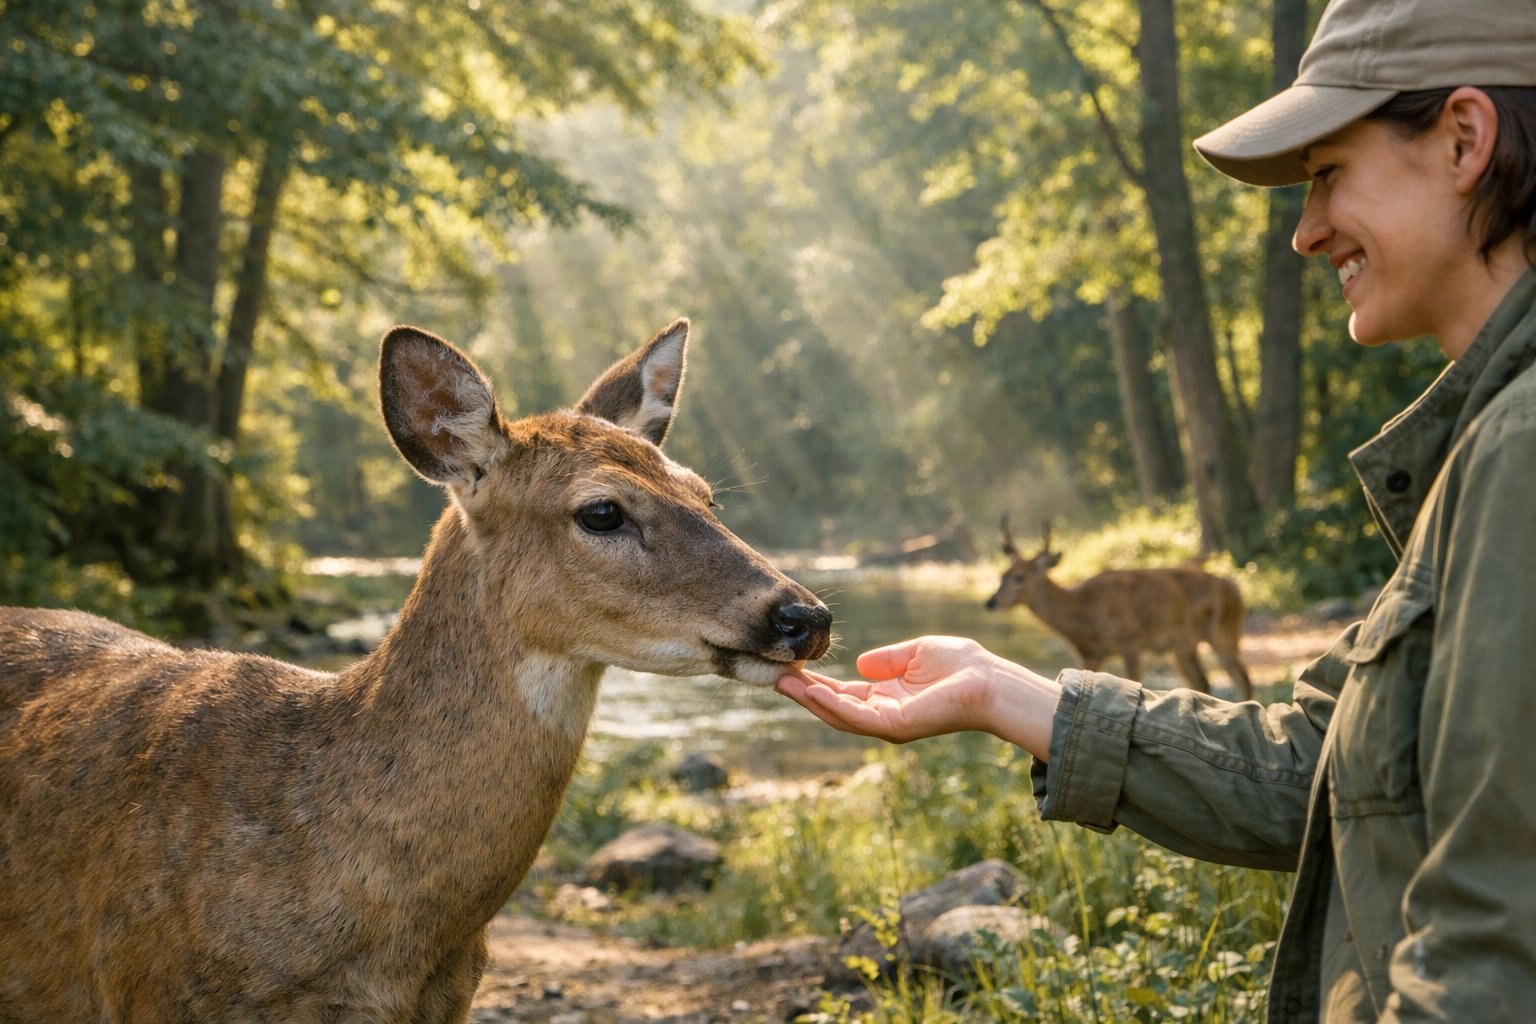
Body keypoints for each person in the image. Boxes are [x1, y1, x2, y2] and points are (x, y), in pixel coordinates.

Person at [776, 0, 1536, 1020]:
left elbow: (1496, 961)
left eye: (1327, 172)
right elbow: (1328, 770)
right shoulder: (1485, 446)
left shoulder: (1520, 451)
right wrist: (1011, 693)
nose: (1306, 230)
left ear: (1462, 139)